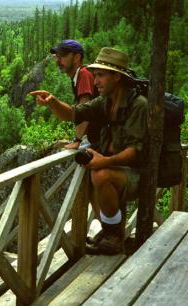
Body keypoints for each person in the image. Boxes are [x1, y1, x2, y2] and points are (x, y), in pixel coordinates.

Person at [30, 48, 148, 255]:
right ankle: (108, 230)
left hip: (137, 176)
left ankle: (115, 235)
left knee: (99, 174)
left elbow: (135, 152)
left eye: (101, 75)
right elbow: (74, 114)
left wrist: (103, 162)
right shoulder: (105, 102)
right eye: (95, 75)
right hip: (116, 169)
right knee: (90, 175)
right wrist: (53, 101)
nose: (95, 82)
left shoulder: (138, 105)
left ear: (117, 77)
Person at [49, 39, 97, 149]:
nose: (57, 61)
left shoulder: (84, 74)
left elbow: (85, 110)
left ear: (76, 57)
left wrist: (77, 140)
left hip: (100, 141)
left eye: (62, 56)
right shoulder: (78, 76)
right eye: (56, 56)